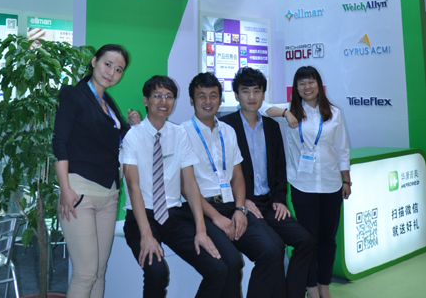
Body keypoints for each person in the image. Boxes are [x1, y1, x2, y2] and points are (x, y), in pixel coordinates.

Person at [182, 72, 286, 298]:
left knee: (272, 250)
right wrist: (216, 217)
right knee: (231, 263)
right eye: (201, 96)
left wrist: (240, 209)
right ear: (191, 100)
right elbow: (185, 186)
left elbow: (237, 176)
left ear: (220, 99)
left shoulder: (227, 131)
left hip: (231, 205)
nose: (208, 101)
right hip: (202, 208)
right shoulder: (182, 133)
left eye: (213, 96)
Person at [122, 75, 226, 298]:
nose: (163, 101)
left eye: (169, 96)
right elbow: (133, 186)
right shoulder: (133, 137)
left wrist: (201, 231)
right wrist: (146, 235)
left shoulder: (179, 134)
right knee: (157, 272)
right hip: (141, 216)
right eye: (157, 96)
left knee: (217, 269)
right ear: (146, 100)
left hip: (174, 215)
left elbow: (190, 183)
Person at [52, 44, 140, 298]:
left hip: (109, 193)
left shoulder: (107, 101)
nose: (111, 72)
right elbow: (60, 142)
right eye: (107, 64)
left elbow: (118, 138)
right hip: (80, 191)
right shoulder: (74, 94)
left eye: (119, 69)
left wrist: (132, 125)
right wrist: (65, 188)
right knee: (85, 273)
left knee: (99, 271)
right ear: (94, 62)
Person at [219, 67, 315, 298]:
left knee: (305, 241)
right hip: (243, 204)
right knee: (273, 249)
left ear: (263, 94)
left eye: (256, 91)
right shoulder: (225, 126)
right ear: (236, 95)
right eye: (245, 91)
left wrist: (280, 199)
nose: (251, 97)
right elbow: (220, 172)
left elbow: (279, 167)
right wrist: (241, 202)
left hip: (270, 204)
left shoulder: (272, 126)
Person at [261, 66, 351, 298]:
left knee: (327, 240)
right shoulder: (291, 110)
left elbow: (342, 149)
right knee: (307, 240)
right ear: (296, 88)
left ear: (319, 85)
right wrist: (285, 114)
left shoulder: (334, 113)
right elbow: (260, 107)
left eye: (311, 82)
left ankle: (324, 285)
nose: (307, 87)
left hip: (331, 183)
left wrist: (346, 180)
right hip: (303, 185)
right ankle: (310, 287)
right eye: (301, 83)